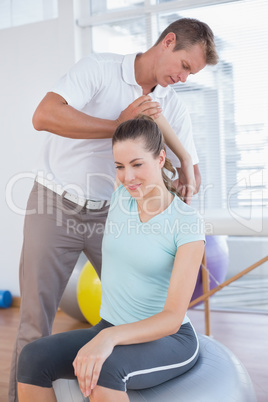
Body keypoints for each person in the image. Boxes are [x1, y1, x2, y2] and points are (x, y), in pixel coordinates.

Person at [9, 17, 218, 401]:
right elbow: (44, 116)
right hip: (56, 201)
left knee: (139, 309)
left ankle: (129, 375)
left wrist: (187, 162)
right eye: (185, 66)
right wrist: (117, 124)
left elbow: (186, 172)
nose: (185, 78)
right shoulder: (100, 69)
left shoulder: (170, 107)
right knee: (35, 326)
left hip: (113, 212)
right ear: (168, 42)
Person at [17, 116, 205, 402]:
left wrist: (187, 157)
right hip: (112, 326)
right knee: (32, 357)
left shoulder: (187, 221)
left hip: (168, 338)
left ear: (160, 158)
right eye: (120, 166)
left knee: (107, 370)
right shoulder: (120, 198)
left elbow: (172, 319)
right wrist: (107, 334)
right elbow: (146, 117)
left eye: (137, 164)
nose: (128, 176)